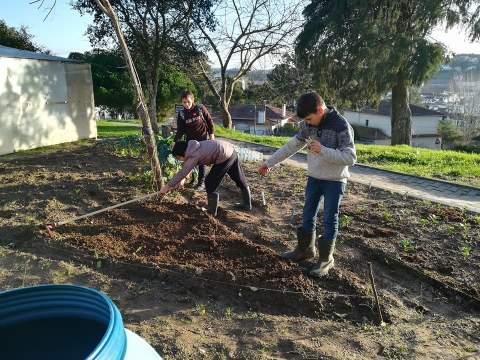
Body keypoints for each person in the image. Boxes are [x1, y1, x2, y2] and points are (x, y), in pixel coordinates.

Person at [258, 92, 356, 278]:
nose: (308, 123)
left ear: (320, 110)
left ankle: (326, 259)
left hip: (335, 181)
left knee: (329, 218)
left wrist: (323, 150)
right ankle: (305, 249)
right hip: (314, 178)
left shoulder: (342, 126)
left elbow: (350, 158)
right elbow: (292, 146)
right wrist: (269, 163)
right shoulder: (309, 125)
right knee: (307, 214)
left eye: (310, 119)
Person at [159, 139, 252, 217]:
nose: (179, 160)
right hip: (230, 150)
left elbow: (183, 172)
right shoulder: (192, 146)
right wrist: (182, 180)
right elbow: (187, 168)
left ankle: (212, 212)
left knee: (210, 183)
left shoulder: (193, 156)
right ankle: (247, 204)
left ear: (180, 155)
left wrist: (166, 187)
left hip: (223, 156)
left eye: (178, 158)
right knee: (238, 177)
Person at [173, 89, 215, 191]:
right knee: (191, 160)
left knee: (202, 161)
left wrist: (211, 134)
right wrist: (175, 141)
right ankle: (194, 179)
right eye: (184, 102)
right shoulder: (182, 113)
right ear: (181, 102)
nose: (186, 104)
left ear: (192, 100)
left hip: (202, 138)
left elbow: (209, 121)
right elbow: (180, 129)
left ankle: (201, 182)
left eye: (188, 101)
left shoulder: (200, 108)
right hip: (190, 141)